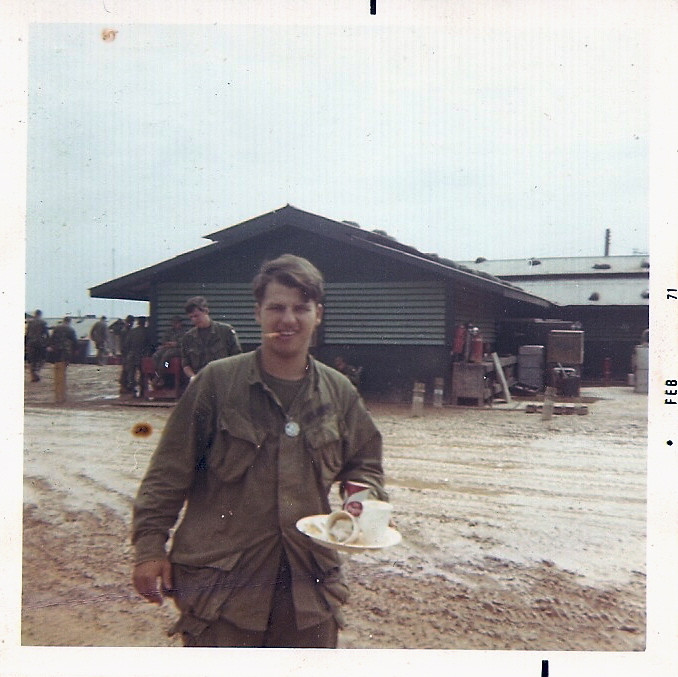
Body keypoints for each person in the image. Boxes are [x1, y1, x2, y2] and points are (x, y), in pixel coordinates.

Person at [132, 254, 387, 648]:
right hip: (223, 590)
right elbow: (168, 473)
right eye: (276, 308)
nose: (288, 319)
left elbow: (365, 463)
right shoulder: (217, 384)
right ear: (258, 313)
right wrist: (149, 548)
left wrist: (361, 501)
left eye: (301, 308)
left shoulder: (339, 391)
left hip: (308, 587)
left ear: (318, 315)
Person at [180, 295, 242, 380]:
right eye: (191, 317)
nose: (194, 320)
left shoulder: (225, 331)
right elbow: (186, 364)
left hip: (224, 379)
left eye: (196, 316)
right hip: (200, 381)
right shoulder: (188, 338)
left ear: (206, 311)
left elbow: (237, 357)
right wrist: (193, 377)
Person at [151, 315, 186, 388]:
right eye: (174, 323)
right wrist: (168, 344)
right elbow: (164, 340)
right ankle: (159, 373)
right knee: (156, 355)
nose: (175, 324)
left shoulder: (183, 332)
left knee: (166, 357)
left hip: (178, 350)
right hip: (167, 348)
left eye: (177, 323)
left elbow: (183, 343)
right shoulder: (169, 331)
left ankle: (160, 375)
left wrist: (175, 344)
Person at [123, 316, 153, 395]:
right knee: (143, 374)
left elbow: (126, 344)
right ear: (144, 322)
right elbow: (151, 344)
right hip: (143, 356)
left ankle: (132, 390)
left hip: (132, 355)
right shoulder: (147, 332)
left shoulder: (132, 331)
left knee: (131, 374)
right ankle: (143, 391)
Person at [25, 310, 49, 382]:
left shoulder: (30, 323)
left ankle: (33, 376)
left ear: (34, 314)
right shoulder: (43, 323)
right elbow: (46, 334)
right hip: (40, 343)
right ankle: (37, 371)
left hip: (30, 343)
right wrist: (48, 343)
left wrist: (25, 344)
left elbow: (27, 334)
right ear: (40, 315)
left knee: (32, 359)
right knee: (42, 358)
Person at [118, 315, 135, 394]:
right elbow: (122, 344)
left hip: (129, 353)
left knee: (128, 370)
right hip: (126, 353)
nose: (131, 324)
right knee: (126, 370)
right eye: (130, 322)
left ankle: (127, 386)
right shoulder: (124, 331)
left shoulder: (129, 331)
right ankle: (125, 386)